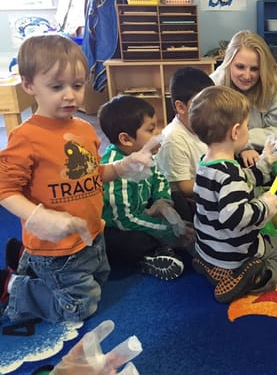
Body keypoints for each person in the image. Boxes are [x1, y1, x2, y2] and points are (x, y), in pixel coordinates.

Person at [0, 35, 158, 324]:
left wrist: (124, 166)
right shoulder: (26, 137)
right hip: (55, 248)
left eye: (77, 85)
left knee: (100, 279)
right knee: (80, 307)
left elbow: (93, 175)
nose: (70, 95)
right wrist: (39, 216)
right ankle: (15, 288)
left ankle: (29, 268)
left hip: (91, 235)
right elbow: (5, 188)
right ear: (29, 85)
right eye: (57, 87)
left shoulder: (85, 129)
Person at [189, 85, 277, 303]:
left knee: (211, 252)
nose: (248, 131)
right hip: (236, 253)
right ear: (236, 131)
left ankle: (210, 265)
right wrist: (265, 205)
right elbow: (235, 218)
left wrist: (264, 162)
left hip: (209, 246)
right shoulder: (230, 175)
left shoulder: (206, 163)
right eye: (248, 126)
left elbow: (243, 180)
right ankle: (254, 277)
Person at [99, 94, 195, 280]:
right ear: (126, 139)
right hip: (119, 224)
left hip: (142, 211)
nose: (159, 133)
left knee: (178, 200)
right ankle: (148, 258)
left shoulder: (143, 153)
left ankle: (164, 247)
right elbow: (125, 220)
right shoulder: (116, 168)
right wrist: (165, 230)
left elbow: (159, 178)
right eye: (151, 130)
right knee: (133, 243)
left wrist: (162, 201)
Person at [209, 30, 277, 167]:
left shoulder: (273, 88)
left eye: (254, 69)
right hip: (221, 152)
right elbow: (207, 132)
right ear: (228, 63)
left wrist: (246, 143)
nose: (247, 76)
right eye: (240, 67)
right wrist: (241, 148)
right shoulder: (213, 87)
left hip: (264, 150)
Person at [155, 67, 214, 222]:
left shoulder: (202, 127)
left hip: (203, 188)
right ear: (181, 107)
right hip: (185, 202)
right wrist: (217, 184)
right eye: (201, 106)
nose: (209, 113)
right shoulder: (173, 138)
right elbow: (184, 187)